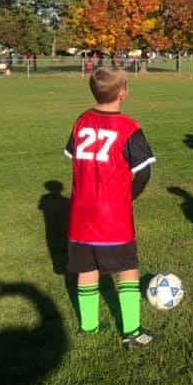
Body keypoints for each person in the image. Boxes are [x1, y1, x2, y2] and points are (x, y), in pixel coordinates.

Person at [64, 67, 157, 348]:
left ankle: (89, 327)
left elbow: (74, 157)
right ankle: (133, 331)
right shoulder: (129, 127)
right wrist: (127, 197)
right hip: (112, 214)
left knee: (87, 268)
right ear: (123, 93)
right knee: (127, 269)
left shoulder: (81, 122)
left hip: (81, 212)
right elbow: (143, 173)